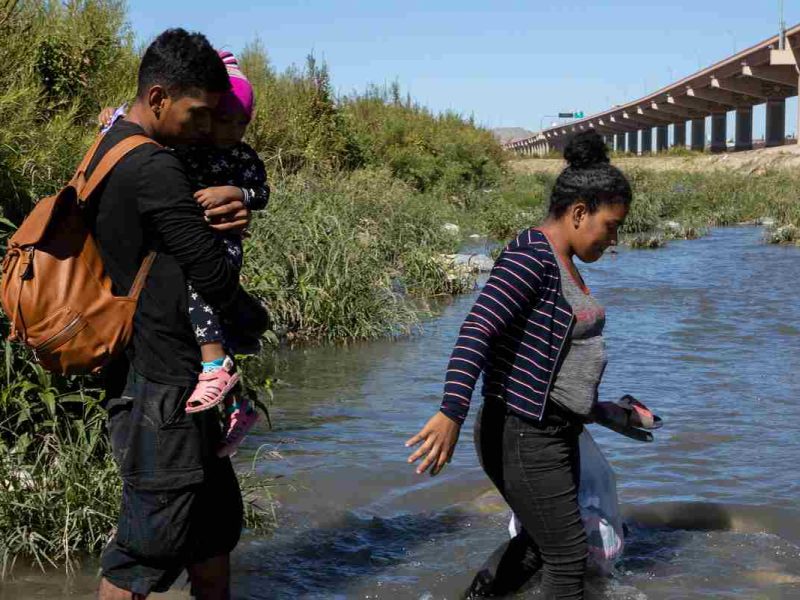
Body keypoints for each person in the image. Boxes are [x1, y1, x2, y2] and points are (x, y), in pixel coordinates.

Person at [406, 131, 633, 600]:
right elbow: (477, 329)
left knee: (539, 546)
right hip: (524, 433)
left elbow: (544, 363)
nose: (614, 240)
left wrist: (603, 410)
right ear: (578, 213)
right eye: (610, 227)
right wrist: (451, 410)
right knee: (567, 556)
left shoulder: (560, 260)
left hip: (550, 430)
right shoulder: (531, 258)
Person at [87, 28, 257, 599]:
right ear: (159, 99)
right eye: (197, 114)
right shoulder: (154, 167)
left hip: (167, 376)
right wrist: (250, 317)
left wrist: (236, 201)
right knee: (143, 550)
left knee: (212, 532)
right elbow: (209, 271)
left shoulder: (110, 145)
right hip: (161, 382)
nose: (205, 128)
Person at [100, 50, 269, 456]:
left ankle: (217, 369)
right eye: (218, 119)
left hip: (215, 250)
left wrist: (235, 194)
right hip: (153, 340)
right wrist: (112, 119)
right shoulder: (171, 152)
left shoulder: (238, 157)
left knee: (202, 293)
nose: (231, 130)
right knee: (209, 306)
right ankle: (232, 393)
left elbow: (259, 192)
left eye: (241, 123)